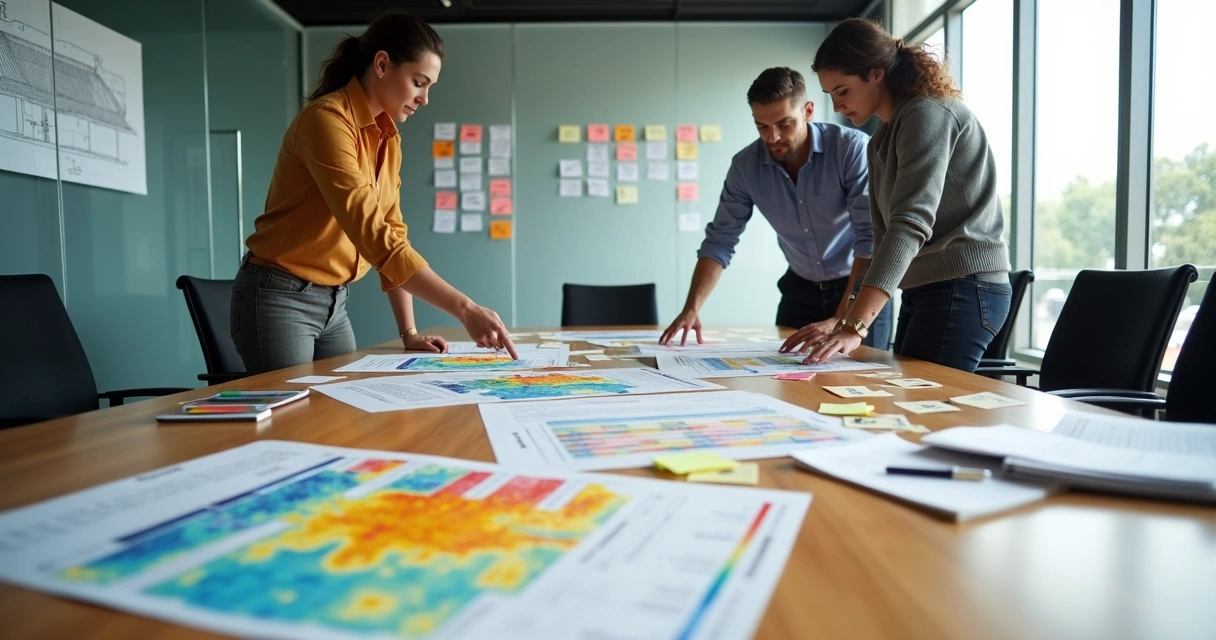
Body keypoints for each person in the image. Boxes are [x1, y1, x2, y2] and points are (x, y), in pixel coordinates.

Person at [231, 13, 517, 374]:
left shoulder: (388, 139)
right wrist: (466, 309)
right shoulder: (326, 121)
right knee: (295, 418)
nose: (425, 99)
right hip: (279, 297)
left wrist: (409, 331)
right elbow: (373, 235)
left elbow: (393, 235)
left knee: (343, 416)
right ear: (382, 64)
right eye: (419, 82)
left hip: (334, 303)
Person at [782, 18, 1011, 372]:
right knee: (905, 402)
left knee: (923, 408)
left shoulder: (926, 113)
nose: (838, 105)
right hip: (925, 290)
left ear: (875, 74)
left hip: (964, 287)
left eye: (842, 90)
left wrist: (856, 326)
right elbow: (879, 240)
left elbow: (909, 224)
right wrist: (843, 321)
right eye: (830, 95)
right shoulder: (879, 141)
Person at [659, 67, 892, 349]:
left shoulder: (850, 150)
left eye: (784, 124)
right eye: (762, 126)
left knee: (859, 384)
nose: (773, 138)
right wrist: (691, 308)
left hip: (859, 288)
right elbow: (720, 240)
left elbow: (870, 240)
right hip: (800, 290)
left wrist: (842, 318)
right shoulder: (745, 167)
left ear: (807, 111)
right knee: (785, 382)